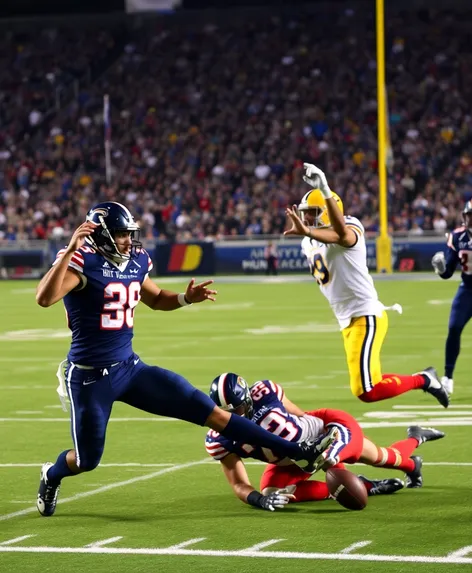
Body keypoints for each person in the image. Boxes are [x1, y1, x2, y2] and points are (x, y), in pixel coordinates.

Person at [35, 201, 334, 517]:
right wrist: (69, 250)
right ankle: (51, 474)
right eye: (121, 234)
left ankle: (299, 452)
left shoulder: (135, 260)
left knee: (211, 412)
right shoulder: (82, 260)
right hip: (89, 378)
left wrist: (185, 298)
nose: (128, 240)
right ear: (102, 234)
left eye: (129, 233)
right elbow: (44, 298)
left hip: (129, 368)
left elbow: (156, 298)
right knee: (87, 460)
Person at [284, 163, 449, 407]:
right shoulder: (308, 241)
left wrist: (325, 189)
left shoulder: (350, 226)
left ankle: (424, 380)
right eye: (306, 212)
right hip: (346, 319)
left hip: (365, 314)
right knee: (366, 388)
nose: (307, 217)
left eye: (314, 212)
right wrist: (309, 229)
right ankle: (425, 378)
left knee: (366, 390)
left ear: (331, 211)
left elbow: (341, 236)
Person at [205, 373, 444, 511]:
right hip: (292, 460)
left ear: (247, 397)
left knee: (381, 457)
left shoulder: (265, 391)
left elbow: (301, 415)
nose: (234, 417)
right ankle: (367, 486)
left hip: (325, 432)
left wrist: (315, 443)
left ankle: (414, 447)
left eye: (238, 409)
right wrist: (259, 499)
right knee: (273, 492)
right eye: (227, 412)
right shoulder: (219, 437)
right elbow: (238, 484)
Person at [431, 200, 472, 395]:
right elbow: (448, 273)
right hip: (468, 289)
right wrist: (440, 267)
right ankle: (448, 377)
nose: (470, 219)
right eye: (469, 215)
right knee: (454, 327)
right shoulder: (458, 236)